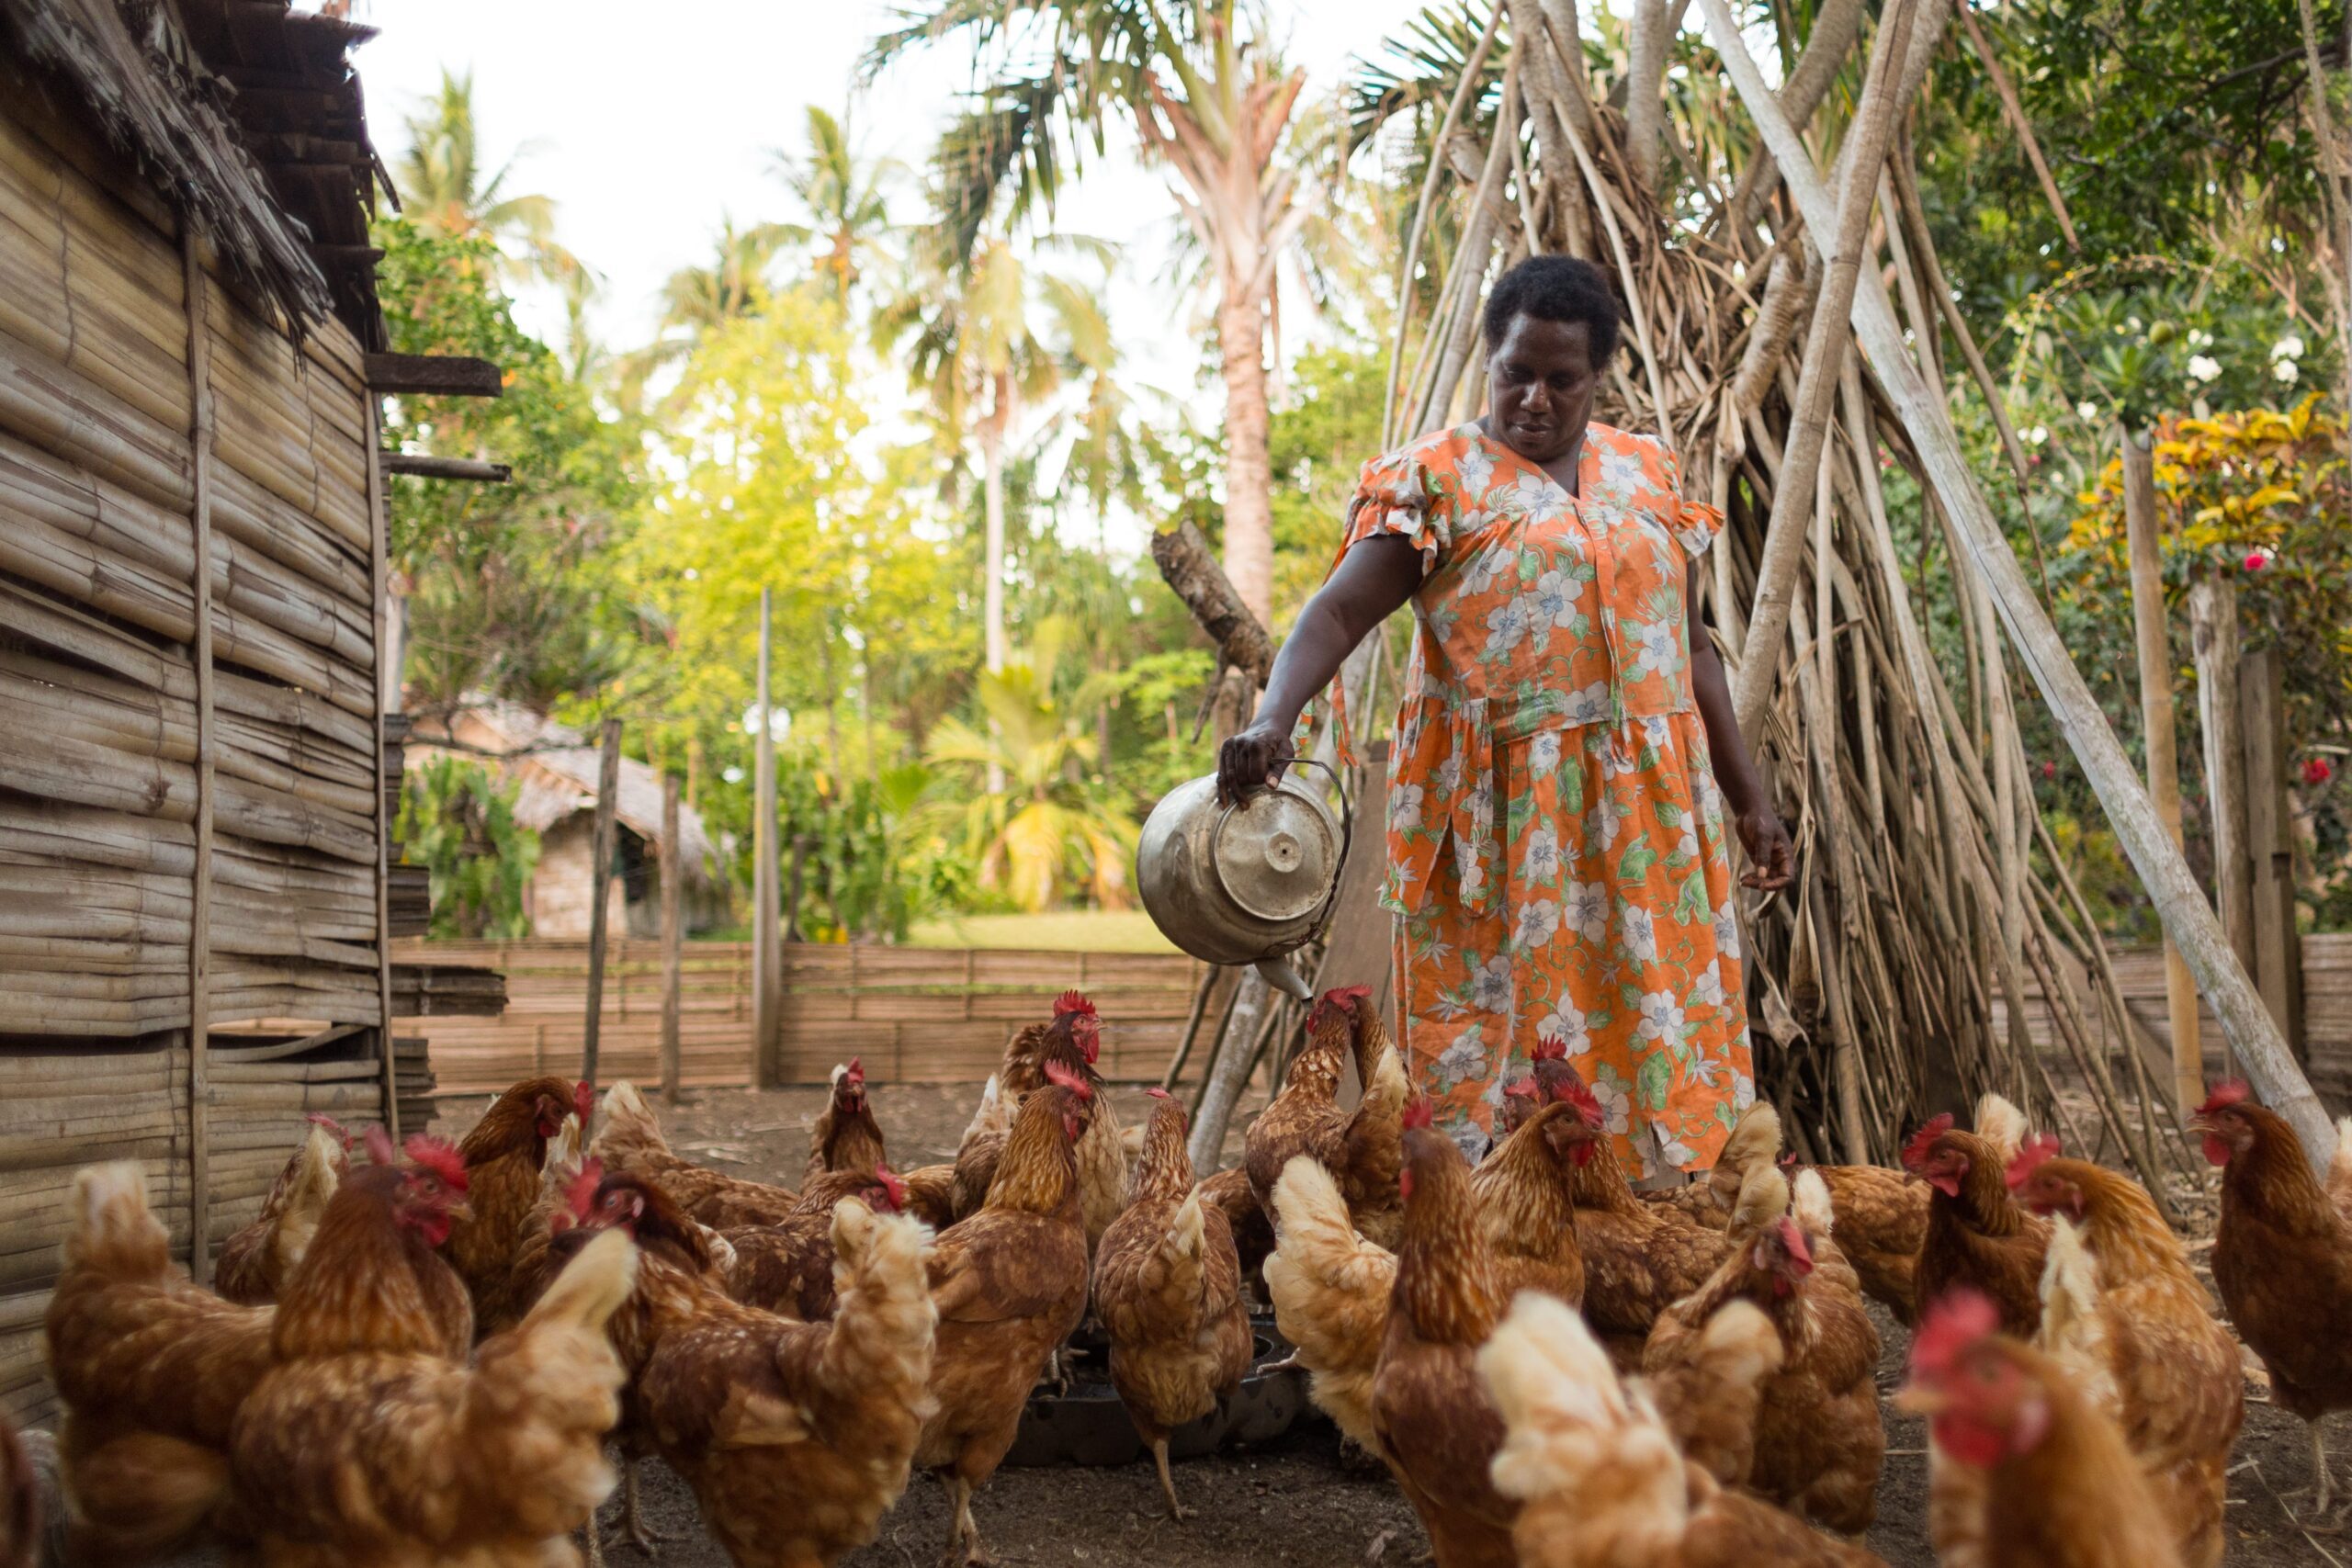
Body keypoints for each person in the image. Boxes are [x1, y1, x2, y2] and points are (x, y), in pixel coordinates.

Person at [1216, 254, 1792, 1184]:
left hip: (1651, 818)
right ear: (1489, 359)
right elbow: (1335, 613)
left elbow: (1687, 649)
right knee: (1509, 1048)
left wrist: (1748, 797)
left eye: (1560, 380)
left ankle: (1644, 1236)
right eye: (1513, 371)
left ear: (1596, 377)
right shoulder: (1437, 481)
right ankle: (1495, 1251)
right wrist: (1274, 717)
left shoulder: (1644, 473)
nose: (1532, 397)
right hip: (1511, 825)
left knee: (1660, 1027)